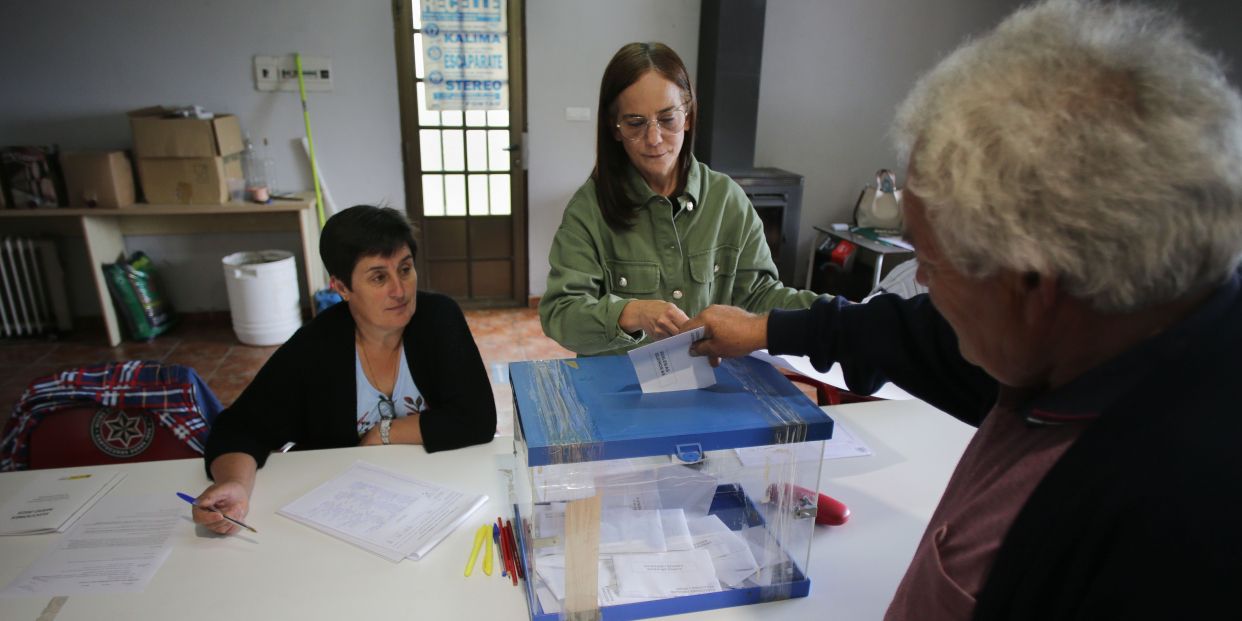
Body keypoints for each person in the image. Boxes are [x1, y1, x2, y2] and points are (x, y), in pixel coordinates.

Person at [684, 1, 1242, 618]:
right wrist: (763, 329)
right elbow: (909, 335)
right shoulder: (1094, 329)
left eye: (930, 260)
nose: (918, 281)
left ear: (1032, 279)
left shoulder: (1176, 526)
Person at [195, 205, 496, 535]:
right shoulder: (315, 347)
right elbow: (240, 429)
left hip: (435, 504)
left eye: (405, 269)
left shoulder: (438, 319)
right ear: (341, 287)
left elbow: (477, 419)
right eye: (378, 277)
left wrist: (383, 433)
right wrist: (236, 485)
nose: (400, 290)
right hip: (342, 517)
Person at [539, 42, 820, 356]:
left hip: (709, 386)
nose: (654, 139)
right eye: (635, 123)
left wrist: (837, 316)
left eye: (668, 119)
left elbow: (758, 297)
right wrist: (631, 313)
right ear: (615, 128)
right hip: (620, 390)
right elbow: (560, 314)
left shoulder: (727, 200)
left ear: (687, 115)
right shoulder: (589, 209)